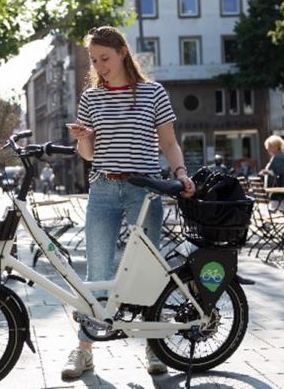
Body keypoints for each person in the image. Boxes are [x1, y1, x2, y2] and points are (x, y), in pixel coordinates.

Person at [64, 26, 195, 379]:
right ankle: (84, 350)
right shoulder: (91, 98)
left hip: (145, 190)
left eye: (104, 58)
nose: (99, 65)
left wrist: (181, 172)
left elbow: (168, 143)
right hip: (103, 189)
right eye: (93, 60)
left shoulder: (154, 93)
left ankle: (154, 348)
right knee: (98, 272)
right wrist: (85, 138)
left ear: (123, 52)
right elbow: (89, 156)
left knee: (147, 270)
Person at [259, 135, 284, 212]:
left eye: (269, 146)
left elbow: (280, 171)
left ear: (276, 146)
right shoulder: (279, 155)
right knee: (281, 207)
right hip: (279, 188)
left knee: (277, 206)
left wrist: (267, 172)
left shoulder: (279, 157)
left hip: (278, 188)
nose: (267, 149)